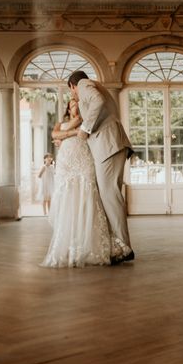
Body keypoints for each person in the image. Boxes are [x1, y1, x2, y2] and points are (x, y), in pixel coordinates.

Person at [67, 70, 134, 263]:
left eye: (72, 93)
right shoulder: (94, 85)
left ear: (73, 85)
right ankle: (119, 245)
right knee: (109, 196)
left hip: (108, 146)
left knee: (110, 196)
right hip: (110, 146)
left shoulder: (84, 84)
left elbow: (97, 101)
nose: (74, 97)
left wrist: (84, 130)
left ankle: (124, 247)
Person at [40, 100, 112, 267]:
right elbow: (54, 135)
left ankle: (89, 247)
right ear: (67, 107)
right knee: (68, 200)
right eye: (72, 104)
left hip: (83, 159)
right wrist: (72, 132)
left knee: (87, 197)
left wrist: (65, 134)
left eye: (78, 103)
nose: (76, 106)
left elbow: (68, 134)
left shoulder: (86, 119)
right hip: (67, 162)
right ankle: (70, 247)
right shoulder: (61, 122)